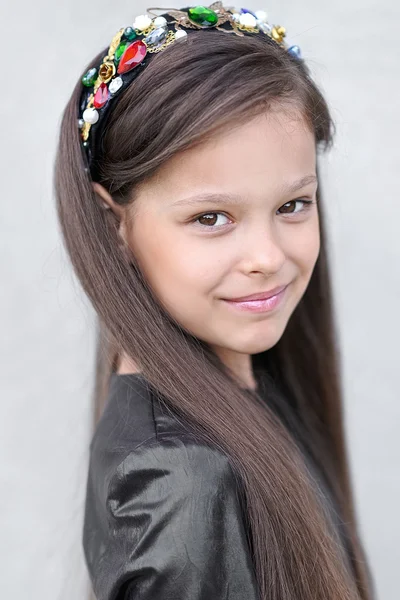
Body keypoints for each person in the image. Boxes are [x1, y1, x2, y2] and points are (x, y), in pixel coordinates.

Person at [54, 4, 376, 600]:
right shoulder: (179, 478)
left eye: (292, 206)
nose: (267, 256)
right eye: (211, 217)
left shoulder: (248, 398)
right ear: (112, 223)